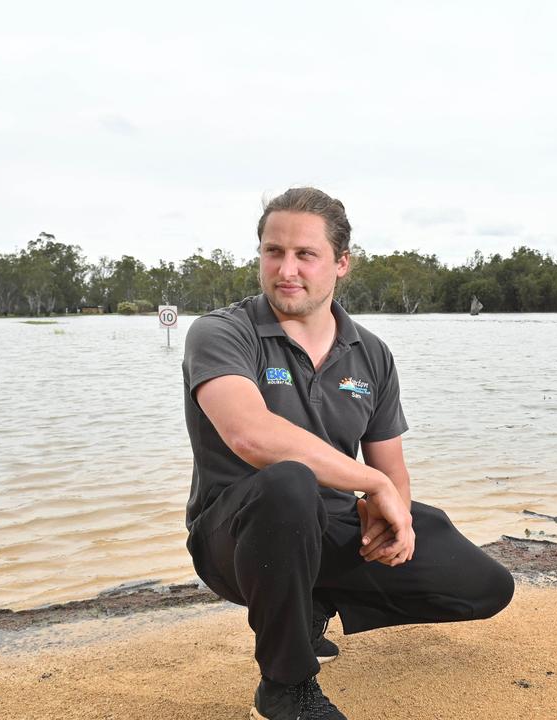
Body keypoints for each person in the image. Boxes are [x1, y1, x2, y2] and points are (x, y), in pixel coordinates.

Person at [181, 187, 514, 720]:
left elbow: (391, 470)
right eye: (273, 251)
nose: (286, 269)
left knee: (484, 585)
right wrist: (373, 485)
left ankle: (313, 604)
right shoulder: (222, 332)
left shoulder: (371, 352)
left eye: (305, 254)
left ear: (340, 264)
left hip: (328, 528)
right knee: (288, 483)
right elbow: (250, 435)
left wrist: (392, 517)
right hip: (236, 536)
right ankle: (286, 688)